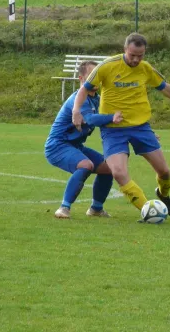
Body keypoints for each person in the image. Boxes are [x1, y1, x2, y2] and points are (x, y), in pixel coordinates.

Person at [71, 33, 170, 219]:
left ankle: (163, 195)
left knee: (164, 172)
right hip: (113, 129)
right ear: (125, 49)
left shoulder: (145, 68)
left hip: (140, 127)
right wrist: (76, 110)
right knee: (118, 172)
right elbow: (85, 89)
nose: (136, 59)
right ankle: (148, 210)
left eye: (140, 55)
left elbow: (164, 87)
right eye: (132, 55)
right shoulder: (107, 66)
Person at [45, 60, 123, 219]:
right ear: (81, 79)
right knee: (86, 165)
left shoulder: (98, 99)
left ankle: (96, 209)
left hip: (75, 146)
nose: (95, 80)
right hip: (58, 146)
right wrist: (111, 117)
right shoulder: (78, 100)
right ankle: (64, 208)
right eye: (91, 76)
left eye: (97, 76)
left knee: (108, 168)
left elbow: (113, 120)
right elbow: (91, 119)